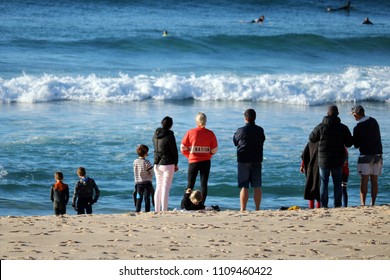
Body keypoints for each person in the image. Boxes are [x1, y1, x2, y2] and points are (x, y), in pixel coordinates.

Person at [309, 105, 353, 208]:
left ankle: (324, 205)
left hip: (323, 160)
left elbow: (311, 138)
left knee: (324, 182)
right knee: (337, 182)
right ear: (338, 114)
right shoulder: (343, 128)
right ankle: (337, 205)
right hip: (338, 160)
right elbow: (349, 144)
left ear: (327, 114)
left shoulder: (320, 127)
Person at [181, 112, 218, 204]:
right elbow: (214, 150)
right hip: (206, 161)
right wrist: (209, 154)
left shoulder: (190, 132)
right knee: (204, 184)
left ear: (196, 121)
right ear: (205, 121)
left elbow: (183, 147)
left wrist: (189, 156)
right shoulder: (210, 133)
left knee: (190, 184)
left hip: (193, 161)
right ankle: (201, 204)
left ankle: (186, 203)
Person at [233, 109, 266, 211]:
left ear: (245, 118)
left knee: (244, 186)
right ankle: (257, 208)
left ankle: (243, 209)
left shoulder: (240, 130)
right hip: (256, 159)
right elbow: (262, 140)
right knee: (257, 186)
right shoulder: (260, 130)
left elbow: (235, 142)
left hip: (243, 160)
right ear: (254, 118)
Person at [351, 105, 383, 206]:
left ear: (356, 114)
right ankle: (373, 203)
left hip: (365, 155)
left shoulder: (358, 127)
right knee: (374, 180)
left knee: (364, 180)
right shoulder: (374, 121)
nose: (353, 116)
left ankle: (363, 203)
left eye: (353, 114)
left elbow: (356, 145)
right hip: (378, 154)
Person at [152, 116, 179, 212]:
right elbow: (174, 151)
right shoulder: (170, 135)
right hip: (167, 164)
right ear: (171, 125)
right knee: (165, 188)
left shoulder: (155, 135)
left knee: (158, 186)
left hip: (157, 164)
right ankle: (164, 210)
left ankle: (156, 210)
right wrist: (176, 163)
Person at [133, 144, 154, 212]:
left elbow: (135, 171)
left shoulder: (135, 161)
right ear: (146, 153)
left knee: (139, 197)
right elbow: (152, 172)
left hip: (138, 183)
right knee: (147, 197)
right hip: (147, 182)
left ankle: (137, 210)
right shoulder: (147, 162)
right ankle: (147, 210)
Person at [300, 142, 321, 209]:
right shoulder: (322, 142)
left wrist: (302, 166)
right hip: (319, 167)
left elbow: (304, 156)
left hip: (310, 168)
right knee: (319, 187)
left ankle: (311, 207)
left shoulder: (310, 143)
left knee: (310, 186)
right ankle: (318, 207)